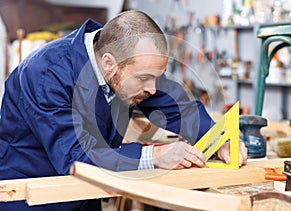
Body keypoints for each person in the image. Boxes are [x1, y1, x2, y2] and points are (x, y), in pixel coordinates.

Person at [0, 10, 247, 210]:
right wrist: (155, 156)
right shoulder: (46, 75)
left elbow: (179, 107)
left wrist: (219, 138)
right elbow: (76, 156)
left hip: (86, 194)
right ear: (109, 63)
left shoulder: (129, 61)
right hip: (31, 197)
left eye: (156, 77)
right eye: (144, 79)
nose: (153, 89)